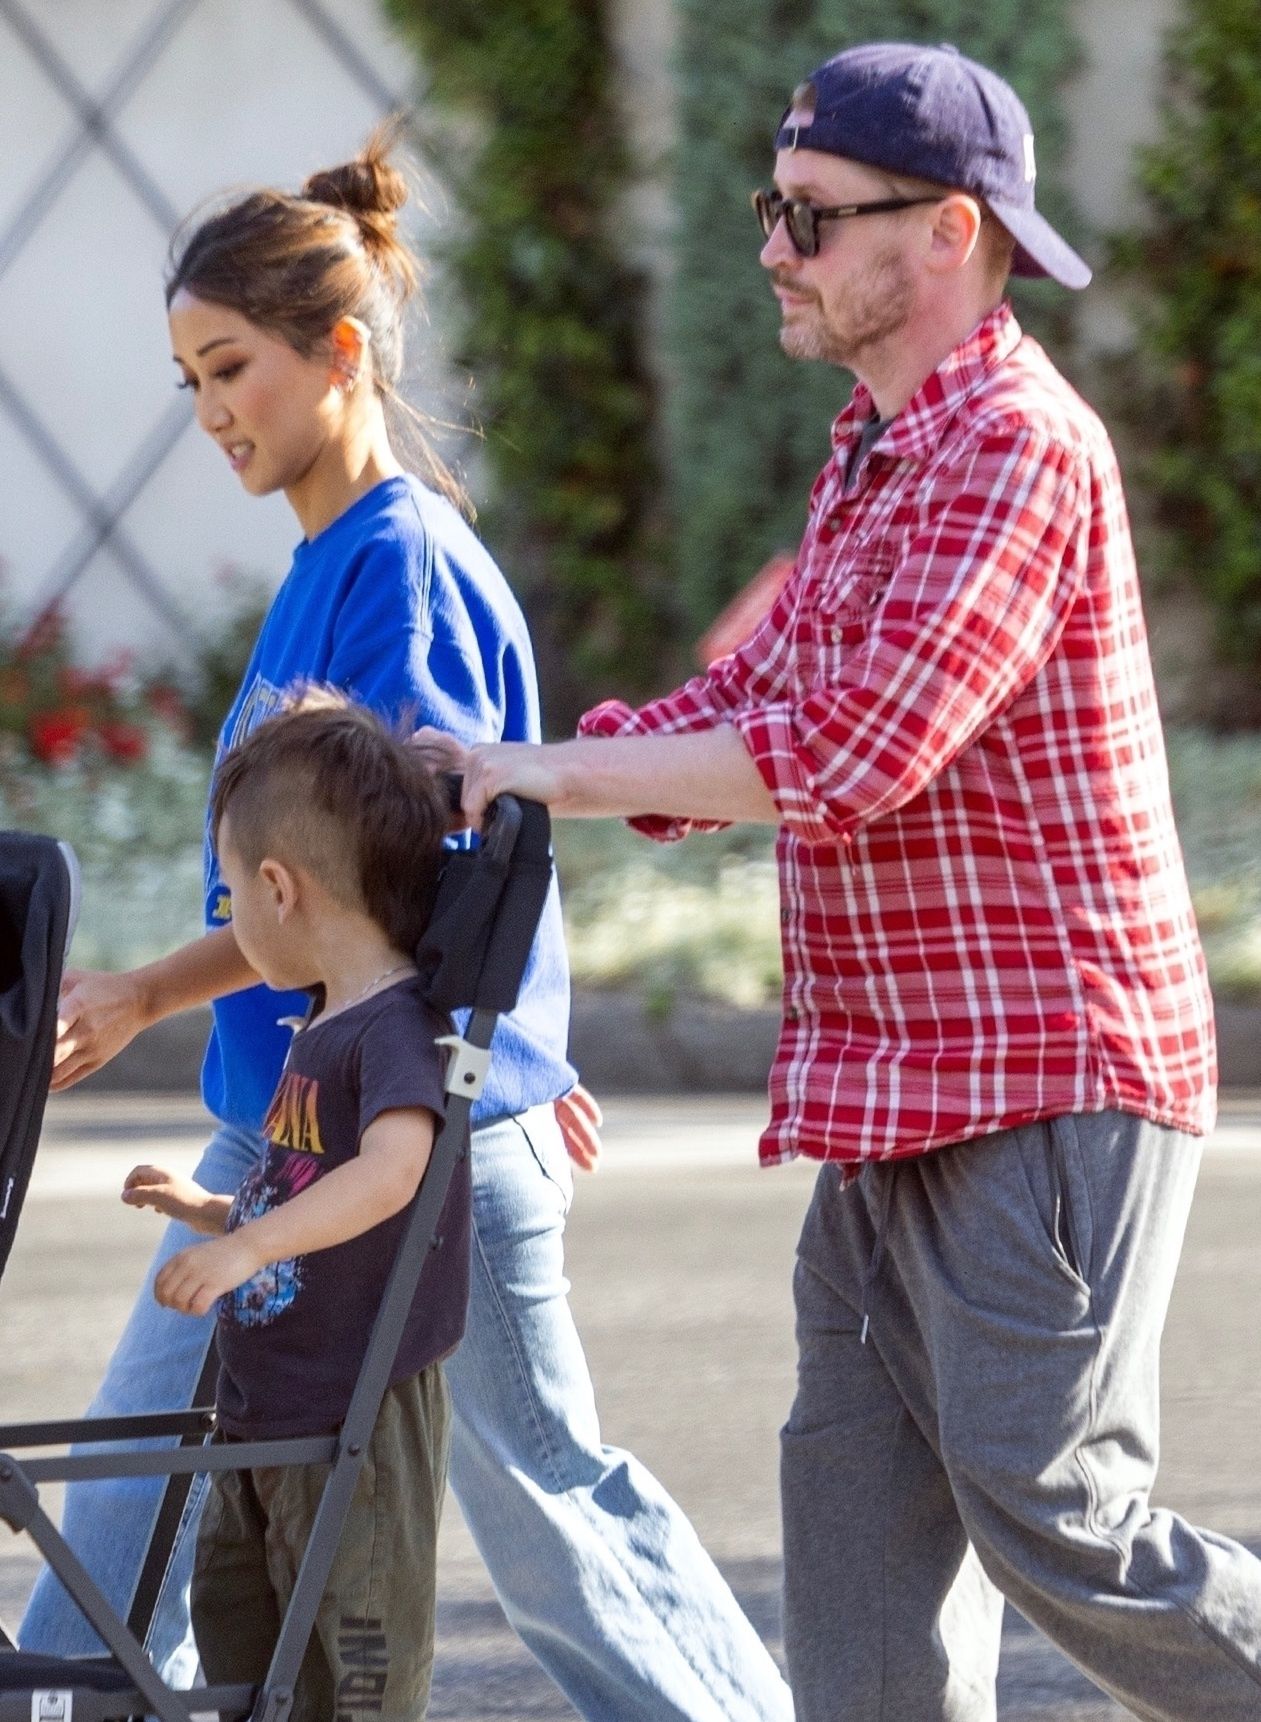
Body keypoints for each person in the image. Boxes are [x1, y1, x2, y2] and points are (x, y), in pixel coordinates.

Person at [422, 42, 1261, 1722]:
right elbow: (760, 703)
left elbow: (855, 749)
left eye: (809, 217)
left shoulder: (1017, 447)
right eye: (770, 209)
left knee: (1061, 1521)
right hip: (887, 1092)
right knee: (863, 1604)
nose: (771, 250)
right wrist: (500, 758)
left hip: (1045, 1081)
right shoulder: (876, 450)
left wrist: (553, 776)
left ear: (946, 232)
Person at [21, 129, 794, 1722]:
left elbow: (378, 898)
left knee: (554, 1526)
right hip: (285, 1132)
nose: (211, 410)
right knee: (132, 1515)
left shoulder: (404, 574)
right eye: (188, 380)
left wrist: (163, 987)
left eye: (230, 365)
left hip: (404, 1144)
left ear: (341, 352)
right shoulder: (328, 563)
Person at [123, 699, 459, 1721]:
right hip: (267, 1411)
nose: (230, 919)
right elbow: (305, 1196)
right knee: (241, 1644)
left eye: (228, 896)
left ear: (279, 888)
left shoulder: (396, 1031)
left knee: (352, 1672)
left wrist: (247, 1248)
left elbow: (395, 1173)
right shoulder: (321, 1022)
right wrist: (216, 1212)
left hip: (352, 1420)